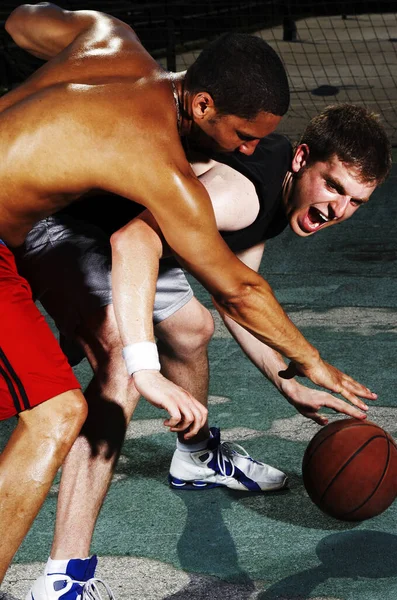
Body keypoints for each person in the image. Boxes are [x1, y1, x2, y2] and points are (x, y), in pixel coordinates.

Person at [15, 104, 391, 599]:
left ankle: (194, 457)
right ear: (303, 158)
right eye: (334, 186)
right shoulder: (245, 196)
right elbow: (134, 240)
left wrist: (289, 385)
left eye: (356, 201)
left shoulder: (280, 191)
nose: (338, 209)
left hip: (127, 233)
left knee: (192, 328)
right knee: (122, 371)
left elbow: (234, 295)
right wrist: (143, 365)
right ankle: (63, 576)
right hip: (73, 227)